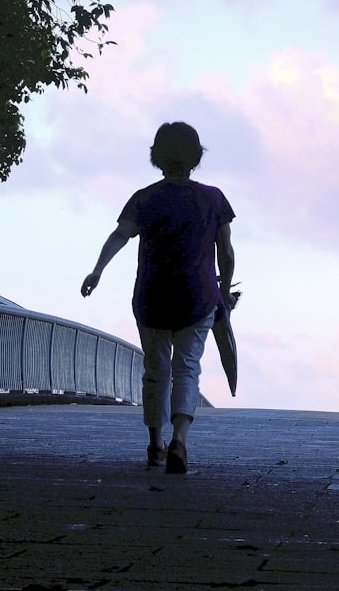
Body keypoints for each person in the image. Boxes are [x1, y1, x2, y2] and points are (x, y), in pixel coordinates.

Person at [81, 122, 236, 474]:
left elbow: (120, 235)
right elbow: (226, 253)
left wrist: (97, 270)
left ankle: (155, 444)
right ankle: (180, 440)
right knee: (187, 368)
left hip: (151, 297)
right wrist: (223, 294)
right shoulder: (213, 198)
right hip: (197, 297)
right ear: (196, 157)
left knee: (156, 371)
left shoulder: (145, 197)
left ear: (157, 157)